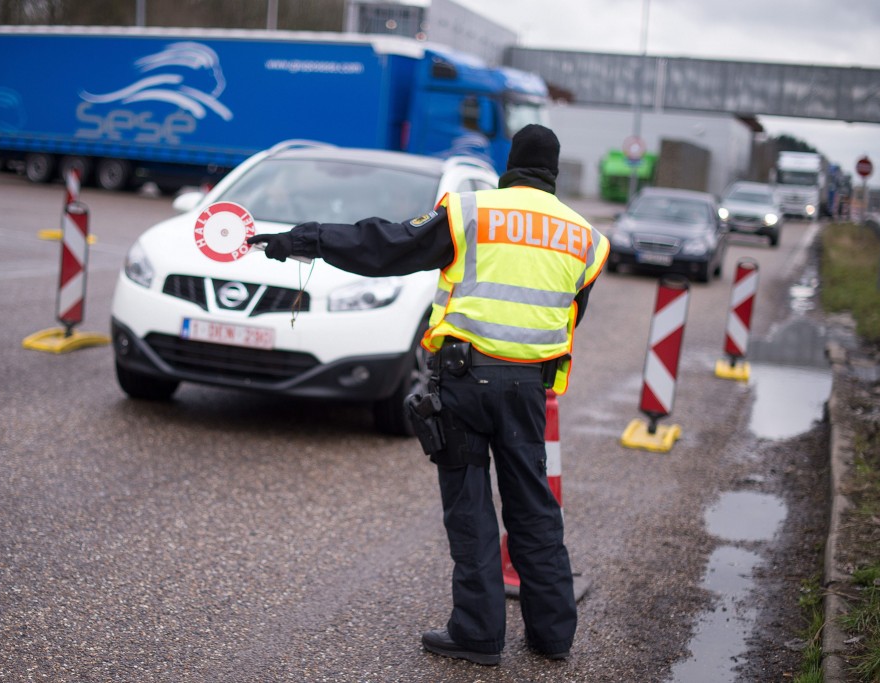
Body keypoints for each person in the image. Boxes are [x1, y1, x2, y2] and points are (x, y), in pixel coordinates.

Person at [247, 124, 609, 665]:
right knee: (534, 509)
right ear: (554, 172)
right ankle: (552, 637)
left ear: (511, 163)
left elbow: (386, 246)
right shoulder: (587, 238)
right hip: (528, 392)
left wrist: (306, 240)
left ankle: (479, 635)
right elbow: (567, 315)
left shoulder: (473, 212)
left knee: (470, 510)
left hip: (464, 384)